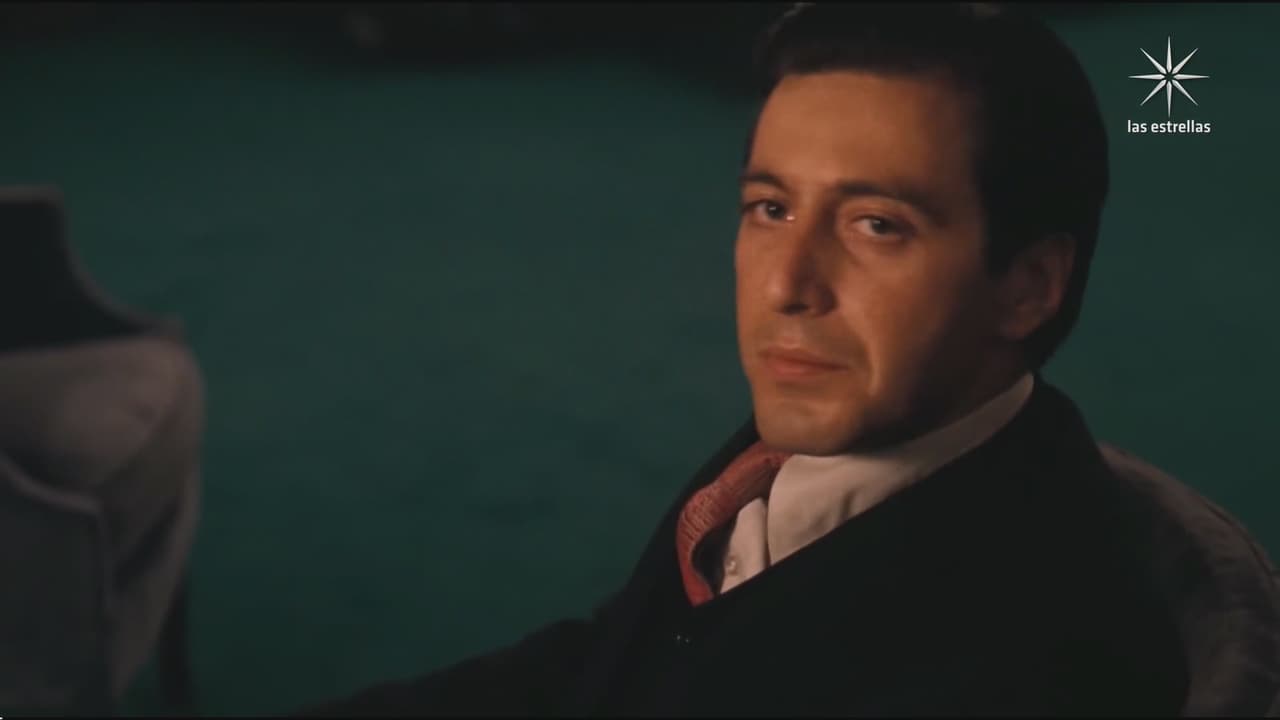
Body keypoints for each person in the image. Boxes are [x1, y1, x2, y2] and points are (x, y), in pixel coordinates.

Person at [300, 3, 1194, 715]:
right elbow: (613, 666)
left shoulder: (1025, 662)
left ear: (1027, 288)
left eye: (875, 225)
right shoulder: (819, 438)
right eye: (771, 209)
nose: (785, 286)